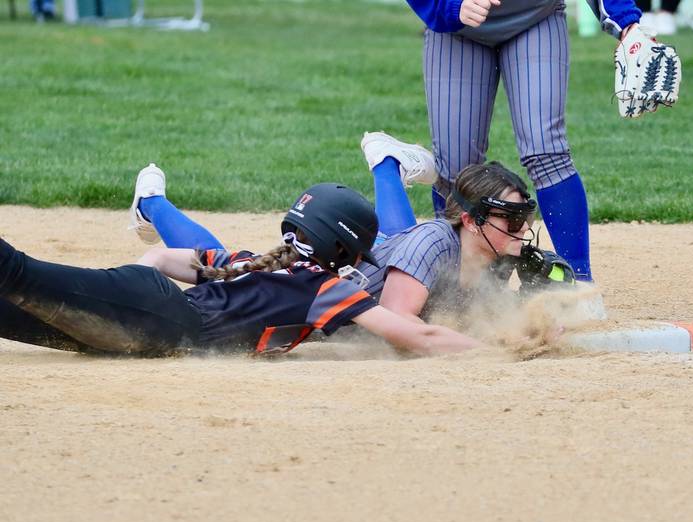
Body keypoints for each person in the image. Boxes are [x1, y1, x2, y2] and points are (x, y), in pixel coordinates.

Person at [128, 132, 575, 325]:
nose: (523, 227)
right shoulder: (436, 242)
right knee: (232, 271)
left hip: (380, 256)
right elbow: (403, 323)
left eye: (524, 217)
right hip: (321, 283)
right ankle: (151, 202)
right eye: (510, 217)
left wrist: (531, 308)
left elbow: (480, 315)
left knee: (394, 238)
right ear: (471, 219)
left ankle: (386, 162)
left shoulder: (492, 259)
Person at [0, 183, 483, 358]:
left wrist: (143, 274)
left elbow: (169, 259)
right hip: (160, 318)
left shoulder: (256, 263)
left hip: (151, 317)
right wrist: (493, 348)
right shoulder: (323, 287)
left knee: (9, 310)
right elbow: (416, 336)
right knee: (18, 274)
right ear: (341, 247)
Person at [402, 0, 646, 282]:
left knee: (546, 152)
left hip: (535, 16)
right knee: (456, 171)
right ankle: (456, 287)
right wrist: (447, 7)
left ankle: (579, 285)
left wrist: (626, 22)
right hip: (458, 27)